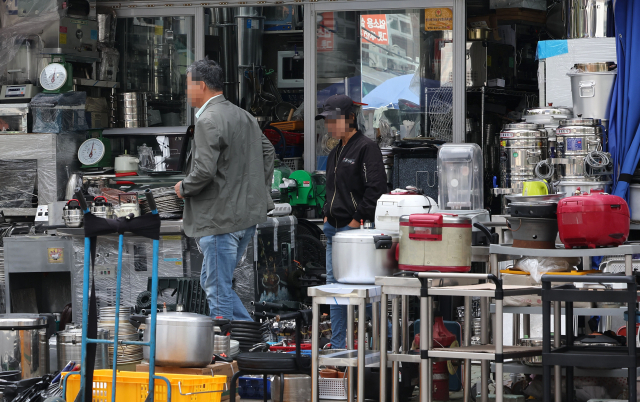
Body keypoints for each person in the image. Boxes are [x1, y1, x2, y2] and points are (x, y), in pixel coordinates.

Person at [174, 58, 275, 321]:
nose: (186, 92)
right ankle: (252, 339)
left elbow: (204, 171)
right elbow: (268, 151)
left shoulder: (208, 119)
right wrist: (257, 193)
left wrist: (184, 187)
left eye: (188, 86)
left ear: (202, 85)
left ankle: (233, 351)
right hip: (244, 218)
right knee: (214, 284)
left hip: (220, 221)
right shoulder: (244, 115)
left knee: (217, 290)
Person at [318, 94, 387, 348]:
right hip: (334, 231)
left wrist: (358, 219)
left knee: (362, 294)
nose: (329, 125)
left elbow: (377, 188)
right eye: (326, 120)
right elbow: (331, 188)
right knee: (335, 292)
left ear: (349, 118)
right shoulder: (336, 152)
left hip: (355, 234)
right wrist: (327, 212)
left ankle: (388, 340)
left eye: (333, 119)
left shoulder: (366, 147)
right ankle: (338, 347)